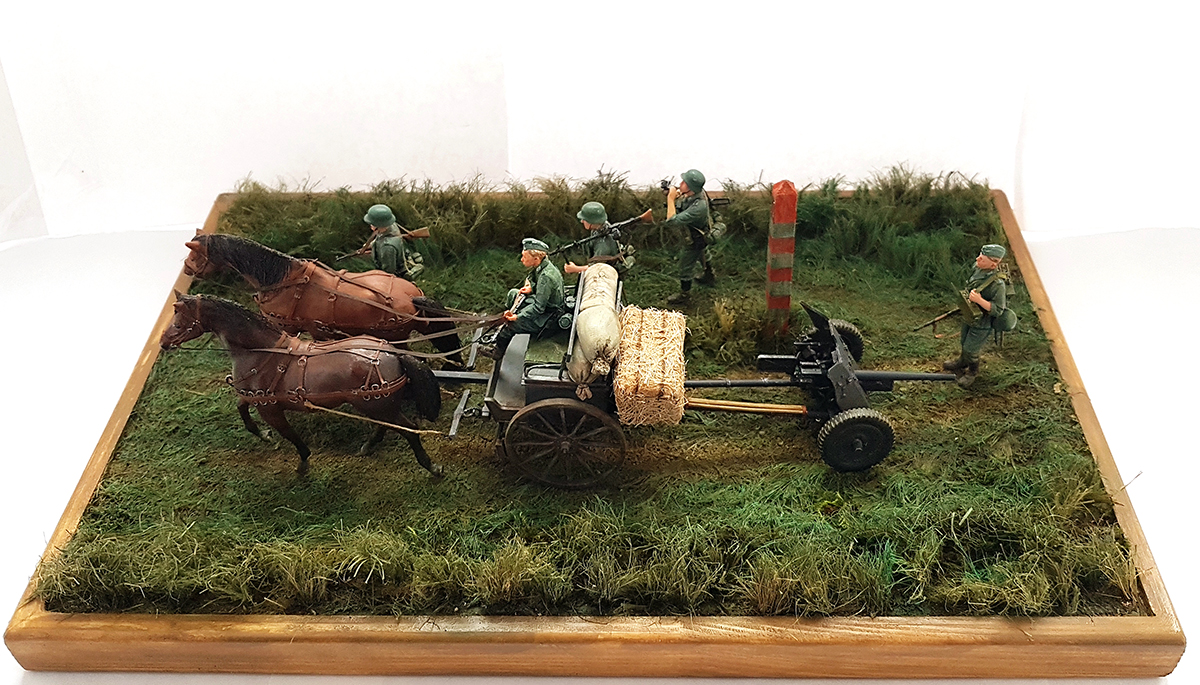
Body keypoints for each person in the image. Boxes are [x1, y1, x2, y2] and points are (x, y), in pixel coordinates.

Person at [481, 238, 566, 360]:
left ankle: (497, 352)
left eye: (524, 257)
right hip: (546, 308)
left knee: (510, 325)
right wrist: (531, 288)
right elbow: (534, 280)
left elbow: (538, 308)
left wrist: (518, 317)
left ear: (536, 258)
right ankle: (506, 318)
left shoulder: (546, 277)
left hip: (548, 319)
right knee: (513, 294)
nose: (522, 259)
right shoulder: (543, 266)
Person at [943, 244, 1010, 388]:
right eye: (979, 255)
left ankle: (972, 372)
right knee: (964, 342)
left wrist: (979, 300)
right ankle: (962, 362)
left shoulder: (998, 284)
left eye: (982, 259)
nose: (977, 259)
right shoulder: (978, 268)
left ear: (993, 264)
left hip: (983, 322)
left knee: (971, 349)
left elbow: (998, 309)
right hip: (970, 314)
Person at [662, 168, 714, 305]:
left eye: (684, 182)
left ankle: (685, 295)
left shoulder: (699, 207)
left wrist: (670, 199)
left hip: (695, 238)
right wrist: (679, 194)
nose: (680, 183)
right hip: (700, 234)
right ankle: (709, 274)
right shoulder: (697, 193)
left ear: (691, 188)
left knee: (685, 266)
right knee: (703, 253)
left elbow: (671, 221)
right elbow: (684, 203)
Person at [564, 201, 626, 276]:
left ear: (592, 222)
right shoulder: (601, 227)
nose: (582, 221)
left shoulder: (603, 245)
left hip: (606, 275)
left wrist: (575, 269)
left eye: (584, 219)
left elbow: (596, 268)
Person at [363, 204, 420, 279]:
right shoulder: (390, 226)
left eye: (372, 224)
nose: (370, 225)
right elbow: (379, 237)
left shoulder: (387, 247)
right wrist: (370, 245)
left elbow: (388, 272)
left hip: (396, 276)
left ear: (379, 225)